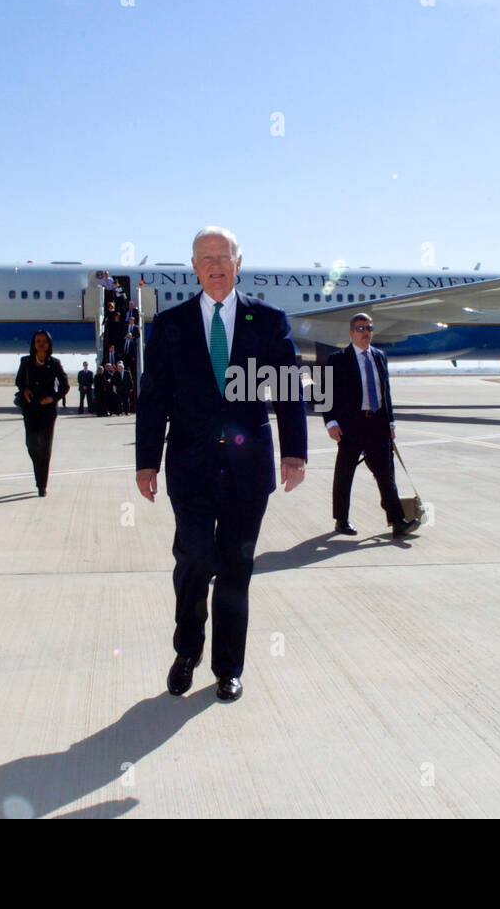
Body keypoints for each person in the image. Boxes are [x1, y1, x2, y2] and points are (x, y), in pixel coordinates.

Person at [136, 226, 307, 704]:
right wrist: (146, 461)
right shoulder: (170, 326)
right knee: (193, 562)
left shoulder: (267, 320)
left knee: (236, 568)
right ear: (193, 266)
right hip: (189, 469)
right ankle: (186, 651)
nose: (215, 265)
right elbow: (153, 401)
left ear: (238, 262)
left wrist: (294, 451)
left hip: (247, 470)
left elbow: (288, 390)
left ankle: (229, 667)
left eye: (223, 256)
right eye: (205, 257)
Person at [322, 313, 420, 538]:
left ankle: (398, 521)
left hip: (377, 424)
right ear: (351, 333)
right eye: (360, 329)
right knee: (345, 474)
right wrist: (331, 422)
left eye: (369, 328)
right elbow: (325, 393)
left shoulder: (379, 357)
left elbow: (386, 392)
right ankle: (341, 520)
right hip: (350, 426)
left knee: (386, 475)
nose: (365, 333)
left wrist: (391, 421)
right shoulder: (338, 358)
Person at [15, 330, 68, 496]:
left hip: (48, 410)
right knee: (31, 445)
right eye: (38, 341)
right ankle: (39, 470)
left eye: (44, 341)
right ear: (34, 344)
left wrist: (53, 398)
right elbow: (19, 381)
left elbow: (65, 386)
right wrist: (24, 390)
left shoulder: (55, 363)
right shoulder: (25, 362)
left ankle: (41, 485)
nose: (41, 343)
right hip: (30, 408)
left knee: (45, 447)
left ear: (49, 344)